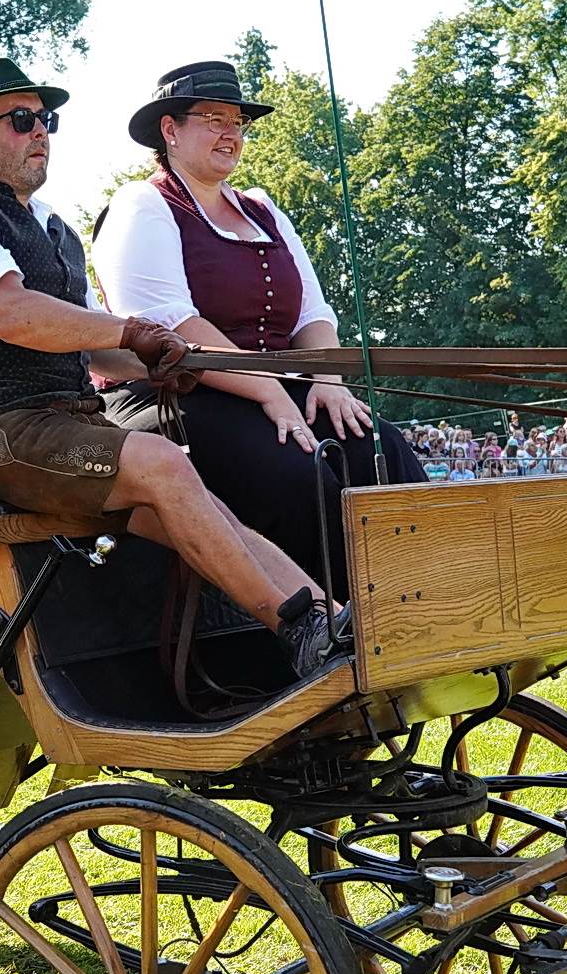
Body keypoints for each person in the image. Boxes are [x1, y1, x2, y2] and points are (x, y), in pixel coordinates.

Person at [0, 53, 337, 676]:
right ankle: (300, 632)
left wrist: (163, 361)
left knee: (195, 499)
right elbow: (13, 315)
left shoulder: (53, 228)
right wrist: (136, 331)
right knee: (161, 463)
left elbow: (90, 347)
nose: (41, 132)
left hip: (62, 423)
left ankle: (332, 619)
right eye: (21, 120)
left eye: (46, 118)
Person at [92, 61, 425, 594]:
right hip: (175, 395)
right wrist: (268, 391)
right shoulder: (143, 205)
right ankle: (335, 628)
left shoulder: (263, 210)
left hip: (275, 392)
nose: (231, 133)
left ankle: (434, 601)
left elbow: (313, 314)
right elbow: (169, 327)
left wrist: (328, 383)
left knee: (375, 445)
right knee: (296, 474)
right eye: (212, 118)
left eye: (238, 121)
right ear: (170, 130)